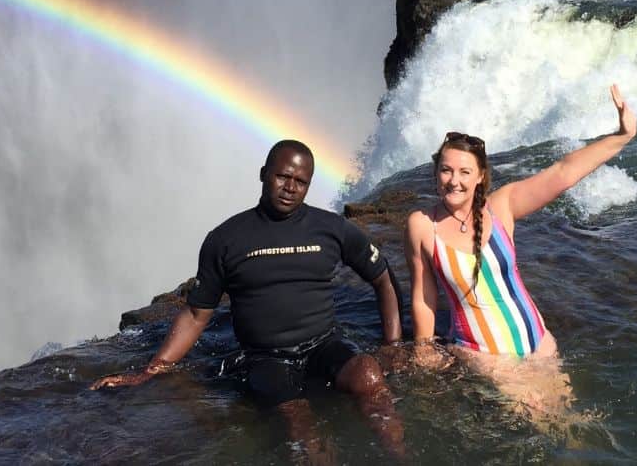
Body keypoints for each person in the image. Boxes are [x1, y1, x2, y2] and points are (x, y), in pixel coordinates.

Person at [92, 139, 404, 459]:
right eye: (283, 176)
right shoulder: (226, 239)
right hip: (267, 358)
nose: (290, 187)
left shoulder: (333, 229)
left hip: (324, 344)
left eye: (300, 182)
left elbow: (383, 279)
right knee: (299, 422)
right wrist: (154, 369)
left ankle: (400, 456)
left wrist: (392, 346)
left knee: (368, 374)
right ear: (263, 174)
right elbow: (197, 314)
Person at [403, 84, 637, 424]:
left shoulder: (501, 207)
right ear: (436, 171)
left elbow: (563, 173)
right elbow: (423, 296)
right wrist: (423, 349)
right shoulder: (422, 225)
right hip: (488, 356)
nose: (454, 180)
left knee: (577, 426)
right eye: (446, 170)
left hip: (540, 342)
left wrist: (622, 136)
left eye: (465, 172)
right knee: (549, 430)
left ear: (481, 176)